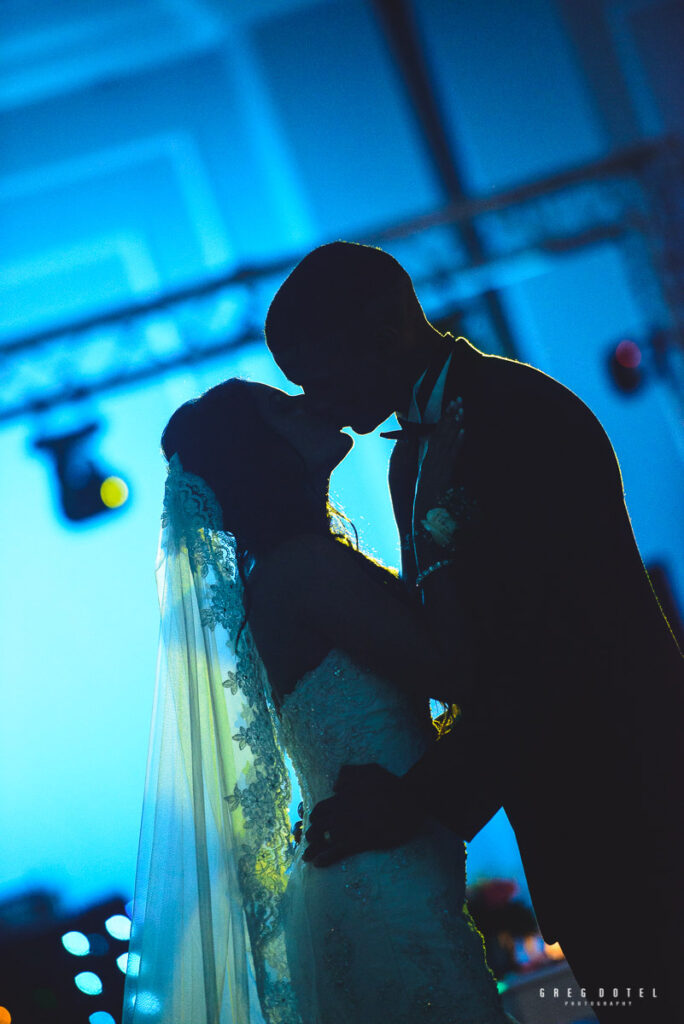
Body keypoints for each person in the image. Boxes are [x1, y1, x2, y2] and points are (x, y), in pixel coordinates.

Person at [264, 241, 684, 1022]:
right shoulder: (408, 458)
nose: (314, 397)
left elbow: (557, 649)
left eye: (316, 372)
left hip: (639, 810)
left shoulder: (520, 413)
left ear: (382, 329)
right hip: (572, 830)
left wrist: (417, 800)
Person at [123, 377, 516, 1023]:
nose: (307, 401)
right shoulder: (300, 568)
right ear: (262, 454)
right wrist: (437, 513)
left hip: (384, 866)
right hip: (382, 887)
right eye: (282, 406)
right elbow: (450, 669)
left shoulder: (293, 568)